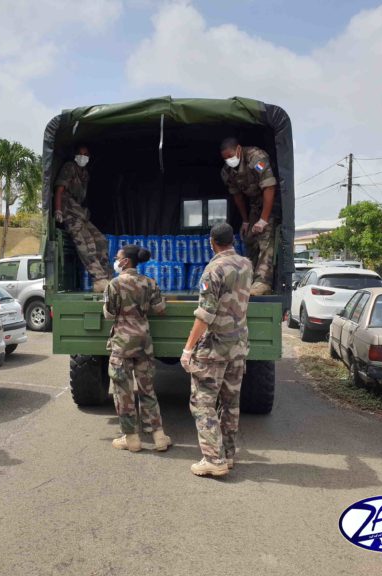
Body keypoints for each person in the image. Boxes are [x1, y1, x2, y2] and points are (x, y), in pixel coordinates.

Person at [181, 223, 252, 477]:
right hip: (238, 345)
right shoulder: (246, 264)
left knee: (202, 402)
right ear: (232, 240)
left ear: (212, 242)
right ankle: (228, 455)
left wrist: (188, 349)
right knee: (230, 403)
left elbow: (205, 315)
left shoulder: (213, 270)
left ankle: (213, 459)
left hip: (215, 348)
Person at [103, 244, 171, 452]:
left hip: (122, 343)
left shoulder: (114, 284)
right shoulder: (149, 283)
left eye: (118, 257)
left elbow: (109, 314)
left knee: (123, 391)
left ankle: (131, 438)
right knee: (147, 389)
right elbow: (160, 309)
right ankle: (159, 436)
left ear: (125, 262)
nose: (115, 260)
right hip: (144, 342)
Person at [220, 137, 277, 296]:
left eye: (230, 156)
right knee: (250, 238)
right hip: (255, 205)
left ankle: (263, 282)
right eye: (225, 158)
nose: (228, 160)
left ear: (238, 149)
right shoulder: (227, 171)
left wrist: (264, 219)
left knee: (265, 237)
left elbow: (269, 187)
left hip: (270, 203)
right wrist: (246, 220)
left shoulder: (256, 157)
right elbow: (237, 196)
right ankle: (249, 278)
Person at [54, 145, 111, 293]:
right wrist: (58, 210)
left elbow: (82, 197)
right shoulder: (69, 167)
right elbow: (59, 189)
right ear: (75, 155)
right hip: (69, 213)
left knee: (101, 241)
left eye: (86, 154)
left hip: (80, 213)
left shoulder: (85, 173)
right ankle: (99, 280)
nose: (83, 157)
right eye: (80, 154)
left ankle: (108, 277)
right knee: (88, 245)